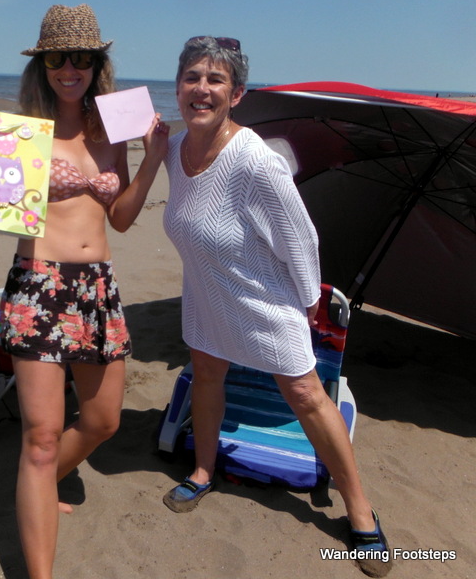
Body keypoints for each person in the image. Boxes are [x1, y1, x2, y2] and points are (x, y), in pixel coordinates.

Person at [0, 3, 167, 579]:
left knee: (103, 421)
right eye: (58, 58)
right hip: (40, 284)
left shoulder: (112, 128)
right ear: (41, 65)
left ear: (97, 64)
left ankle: (38, 481)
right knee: (40, 438)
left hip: (98, 287)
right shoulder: (17, 135)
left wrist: (153, 162)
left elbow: (118, 219)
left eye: (82, 57)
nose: (71, 68)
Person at [161, 36, 391, 578]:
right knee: (207, 374)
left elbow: (301, 239)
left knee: (306, 392)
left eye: (216, 80)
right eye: (192, 77)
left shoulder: (256, 161)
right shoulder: (172, 149)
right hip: (205, 293)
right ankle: (202, 470)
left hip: (265, 300)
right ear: (178, 86)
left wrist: (310, 302)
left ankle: (359, 511)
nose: (202, 89)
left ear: (236, 94)